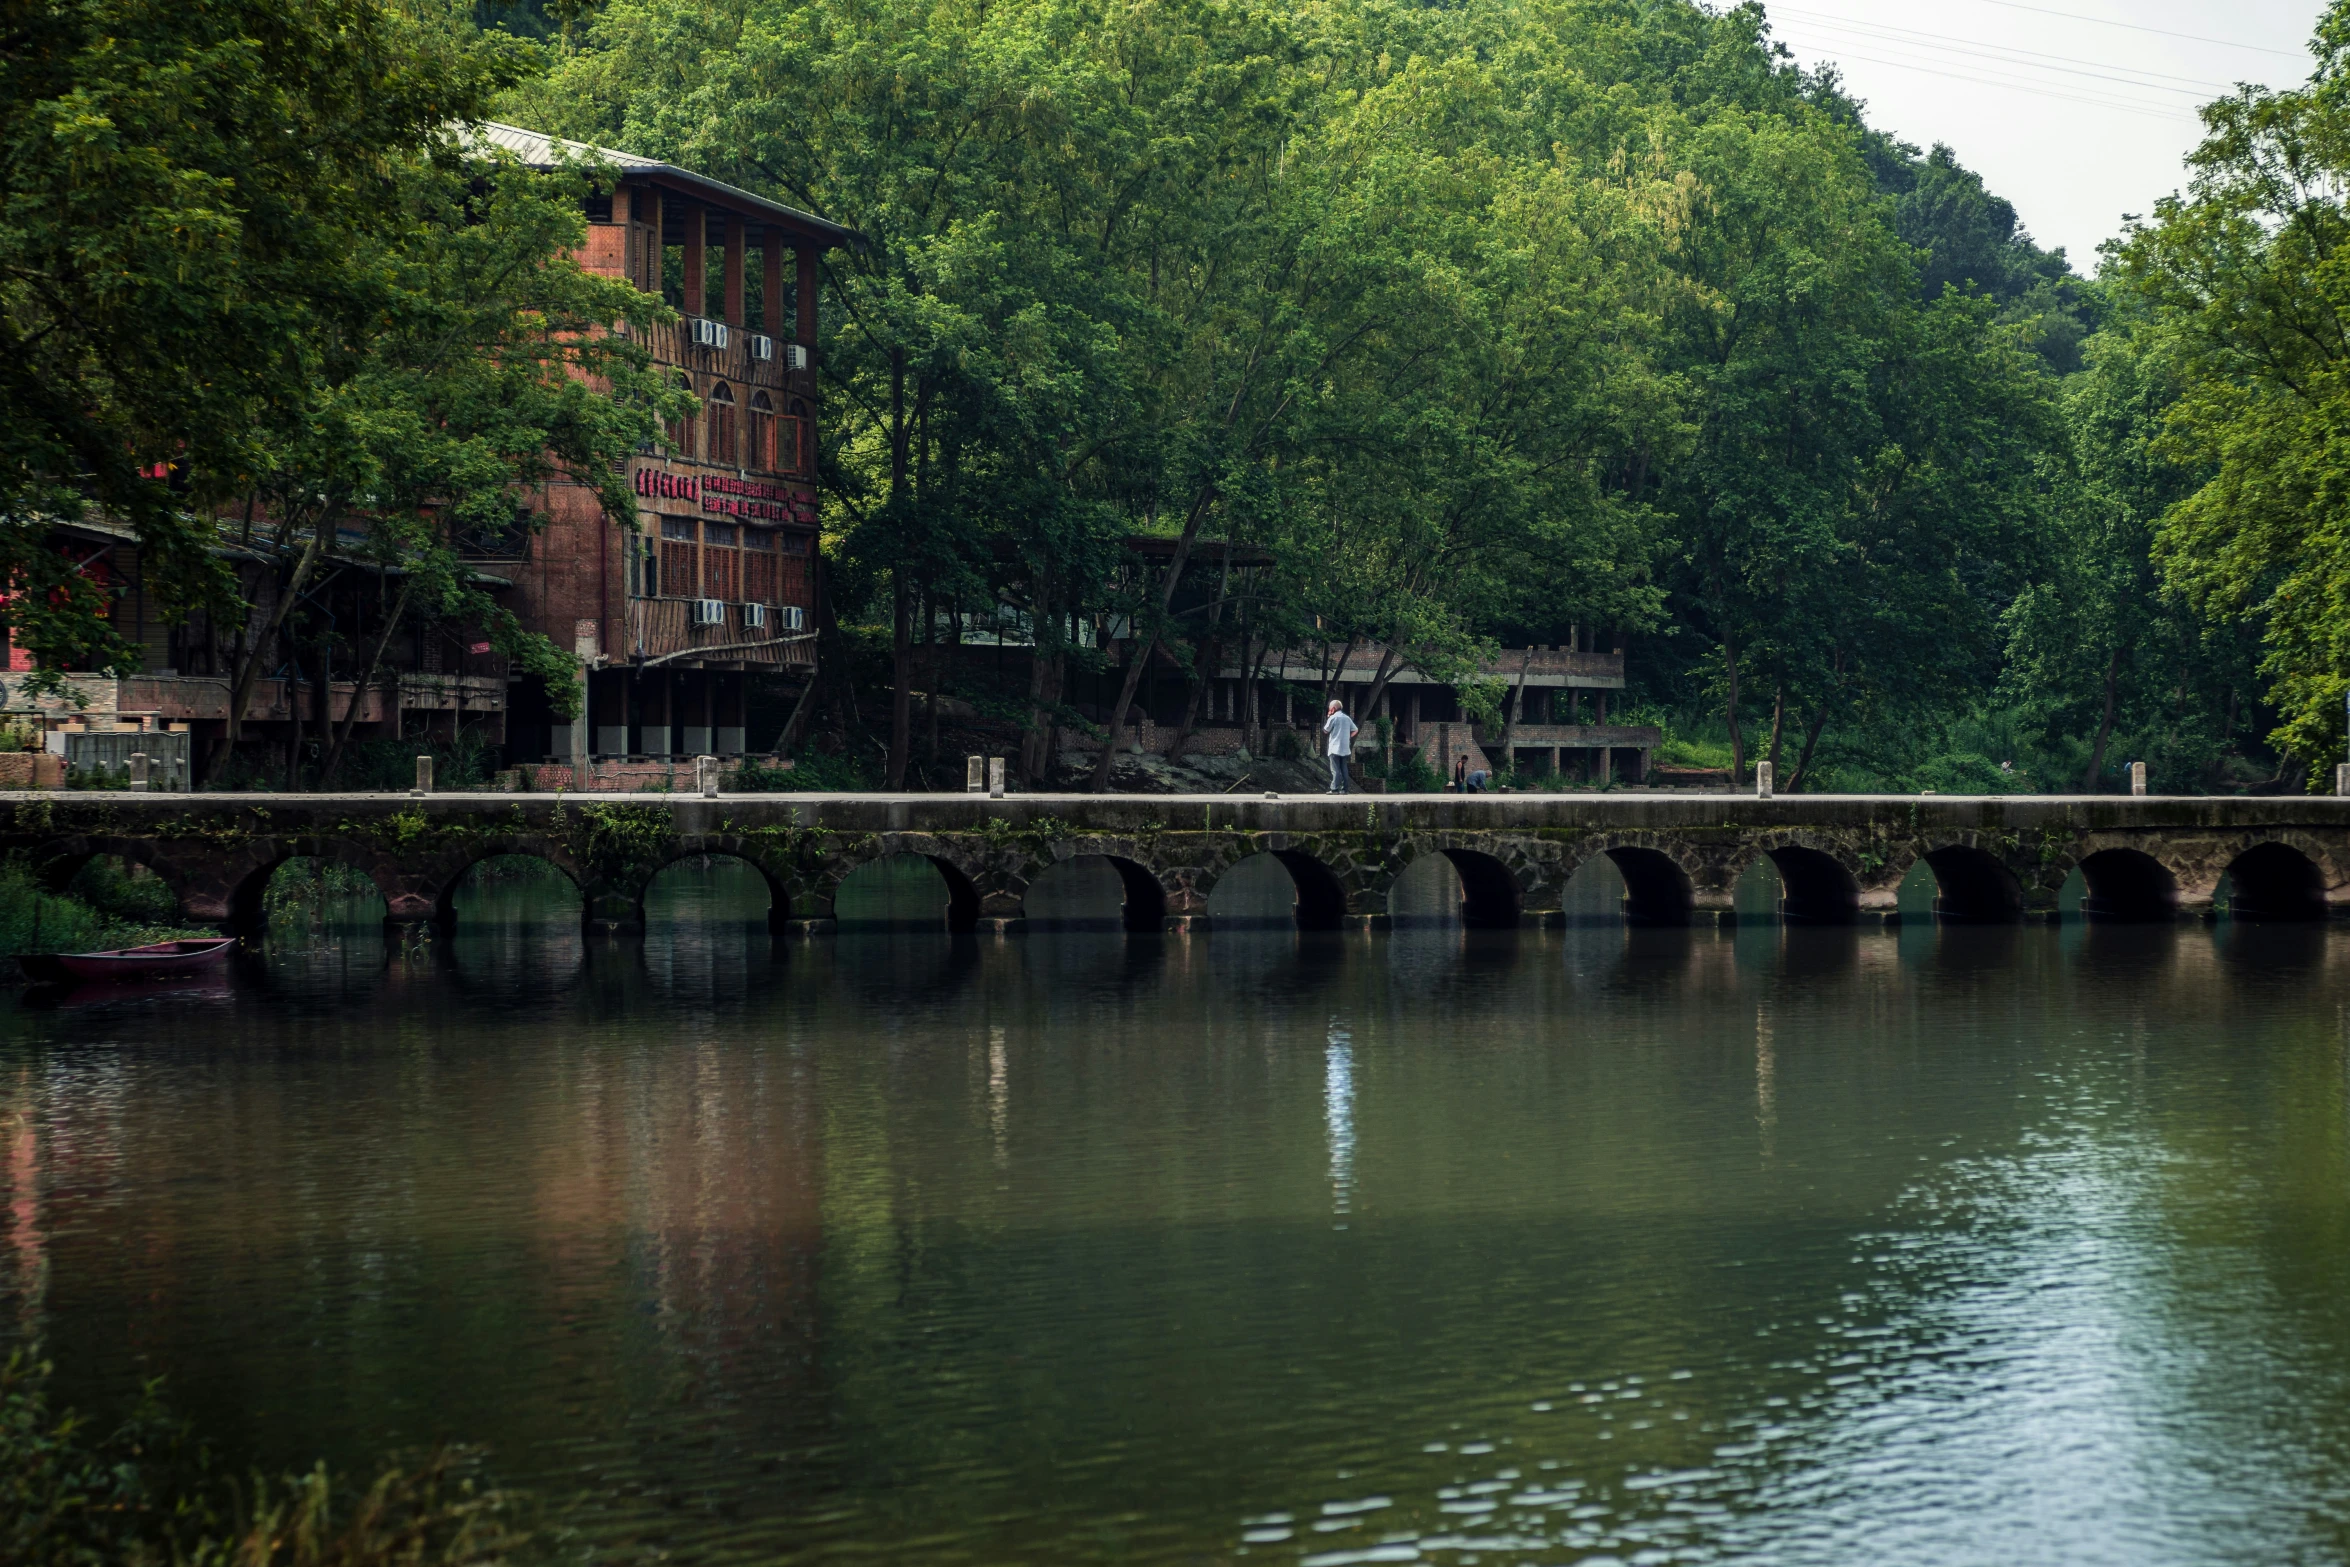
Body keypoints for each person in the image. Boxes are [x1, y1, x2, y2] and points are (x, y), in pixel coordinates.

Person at [1322, 699, 1358, 793]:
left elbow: (1325, 730)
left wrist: (1329, 716)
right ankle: (1345, 789)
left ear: (1333, 708)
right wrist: (1348, 737)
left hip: (1335, 747)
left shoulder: (1333, 717)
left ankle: (1334, 789)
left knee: (1335, 769)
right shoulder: (1347, 718)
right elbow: (1355, 730)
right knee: (1344, 768)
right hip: (1345, 747)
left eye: (1330, 708)